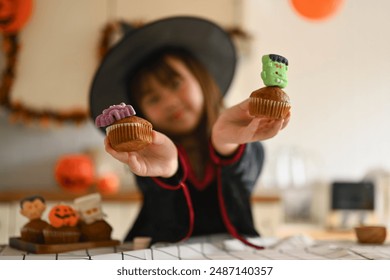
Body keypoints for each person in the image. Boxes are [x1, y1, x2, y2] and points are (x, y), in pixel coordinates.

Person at [89, 16, 290, 248]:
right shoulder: (147, 154)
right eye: (153, 98)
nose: (170, 102)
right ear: (141, 112)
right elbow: (159, 204)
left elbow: (245, 173)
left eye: (175, 84)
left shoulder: (242, 140)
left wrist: (225, 143)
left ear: (201, 79)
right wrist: (169, 170)